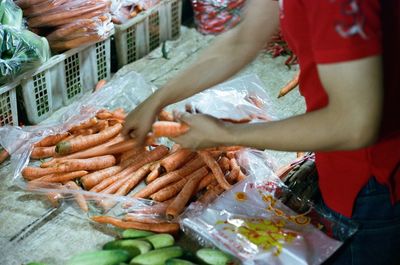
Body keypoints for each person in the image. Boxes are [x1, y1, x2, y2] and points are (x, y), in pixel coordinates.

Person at [123, 0, 400, 264]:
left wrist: (226, 134)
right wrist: (157, 100)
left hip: (375, 179)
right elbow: (243, 39)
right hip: (340, 160)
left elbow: (353, 125)